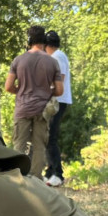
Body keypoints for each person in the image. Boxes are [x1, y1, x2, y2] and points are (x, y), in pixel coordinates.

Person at [5, 25, 63, 181]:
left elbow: (8, 86)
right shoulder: (52, 62)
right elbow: (59, 90)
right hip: (42, 110)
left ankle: (17, 181)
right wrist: (44, 91)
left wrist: (22, 90)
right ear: (43, 41)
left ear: (29, 41)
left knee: (19, 146)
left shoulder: (18, 60)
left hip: (22, 109)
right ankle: (36, 181)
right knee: (39, 147)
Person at [44, 30, 71, 187]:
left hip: (58, 101)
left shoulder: (57, 57)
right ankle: (49, 172)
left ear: (48, 46)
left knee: (51, 138)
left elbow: (60, 79)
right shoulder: (58, 56)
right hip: (57, 100)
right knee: (48, 137)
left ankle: (58, 174)